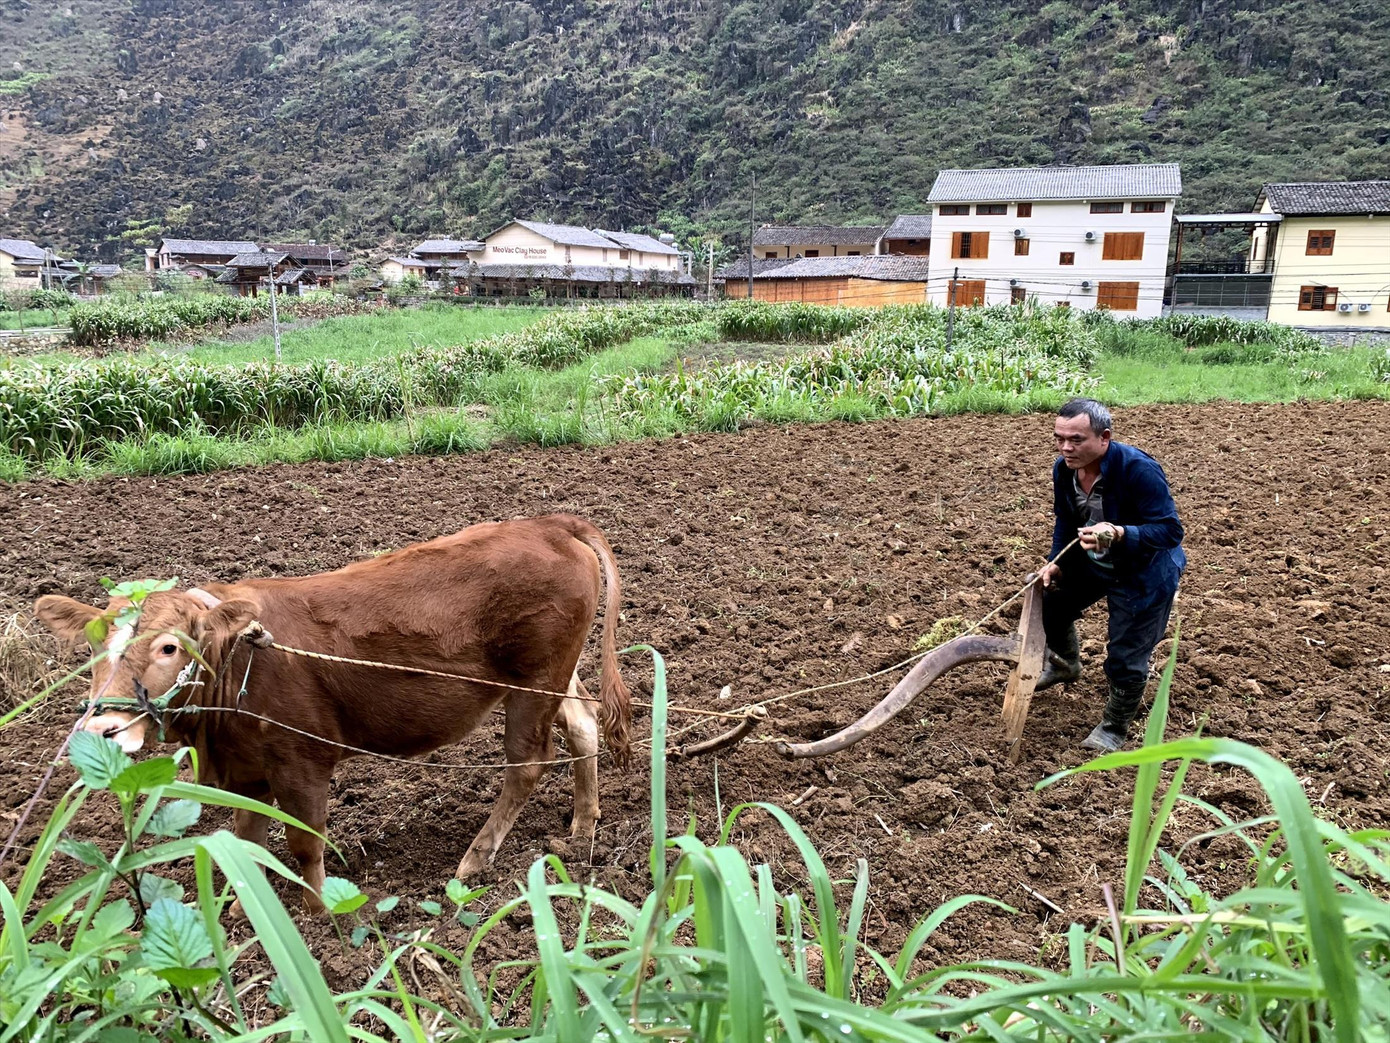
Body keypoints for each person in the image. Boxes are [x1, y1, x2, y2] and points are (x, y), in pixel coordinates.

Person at [1035, 398, 1185, 752]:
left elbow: (1169, 531)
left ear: (1104, 437)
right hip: (1093, 562)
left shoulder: (1137, 470)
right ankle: (1065, 664)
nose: (1065, 448)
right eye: (1059, 438)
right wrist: (1056, 560)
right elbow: (1066, 521)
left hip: (1143, 572)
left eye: (1076, 440)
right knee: (1050, 602)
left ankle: (1115, 728)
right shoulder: (1065, 470)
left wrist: (1120, 533)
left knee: (1125, 655)